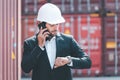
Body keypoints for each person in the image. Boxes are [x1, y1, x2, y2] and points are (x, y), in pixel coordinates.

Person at [21, 3, 92, 80]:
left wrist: (68, 60)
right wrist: (39, 47)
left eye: (57, 24)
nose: (56, 28)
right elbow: (26, 68)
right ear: (41, 25)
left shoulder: (68, 40)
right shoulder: (30, 43)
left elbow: (87, 62)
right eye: (52, 25)